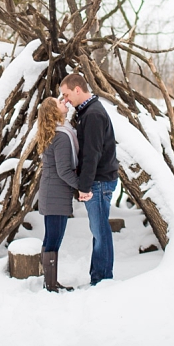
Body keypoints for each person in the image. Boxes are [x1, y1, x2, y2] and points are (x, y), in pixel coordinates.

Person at [58, 73, 118, 286]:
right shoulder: (88, 111)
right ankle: (99, 276)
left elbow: (91, 154)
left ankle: (102, 279)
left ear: (77, 89)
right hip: (100, 179)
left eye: (66, 94)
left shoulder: (92, 114)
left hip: (99, 181)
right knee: (98, 230)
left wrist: (84, 186)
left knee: (100, 231)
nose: (65, 100)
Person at [36, 96, 80, 292]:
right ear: (54, 111)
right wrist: (81, 187)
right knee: (54, 239)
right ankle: (50, 284)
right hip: (56, 195)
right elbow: (64, 171)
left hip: (52, 193)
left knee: (51, 238)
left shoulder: (53, 132)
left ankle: (49, 282)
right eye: (60, 102)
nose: (65, 103)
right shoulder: (60, 136)